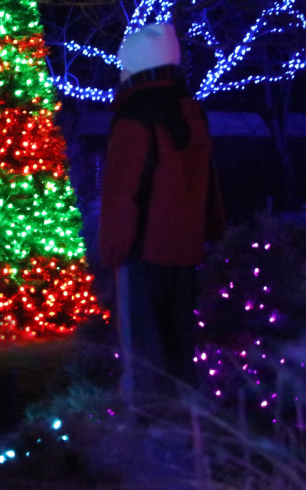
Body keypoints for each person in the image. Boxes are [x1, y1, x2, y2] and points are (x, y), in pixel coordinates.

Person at [99, 23, 225, 402]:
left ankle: (147, 439)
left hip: (142, 253)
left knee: (144, 356)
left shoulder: (134, 118)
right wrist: (214, 230)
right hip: (185, 251)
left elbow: (122, 193)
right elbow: (208, 180)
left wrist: (112, 251)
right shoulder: (190, 112)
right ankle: (187, 433)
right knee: (179, 349)